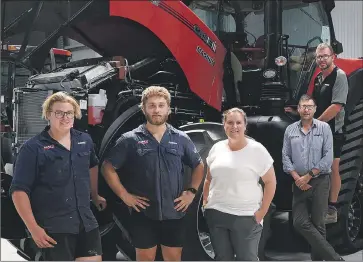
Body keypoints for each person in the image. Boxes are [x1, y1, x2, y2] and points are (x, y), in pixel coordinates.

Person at [102, 86, 205, 261]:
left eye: (161, 105)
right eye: (151, 106)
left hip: (174, 213)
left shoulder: (181, 138)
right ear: (144, 109)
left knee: (173, 259)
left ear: (168, 109)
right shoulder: (130, 139)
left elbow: (199, 165)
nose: (156, 110)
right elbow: (107, 167)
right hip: (144, 215)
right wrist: (124, 195)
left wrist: (192, 192)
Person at [10, 91, 106, 261]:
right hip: (54, 228)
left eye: (69, 113)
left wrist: (95, 194)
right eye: (59, 113)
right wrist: (33, 228)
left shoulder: (84, 140)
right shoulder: (33, 149)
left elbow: (92, 165)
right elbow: (19, 192)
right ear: (48, 114)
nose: (65, 117)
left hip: (86, 223)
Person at [285, 43, 349, 224]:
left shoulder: (340, 76)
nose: (321, 59)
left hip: (333, 130)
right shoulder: (319, 77)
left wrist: (316, 123)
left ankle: (332, 207)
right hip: (319, 129)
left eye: (325, 56)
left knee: (333, 167)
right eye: (319, 57)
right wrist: (296, 110)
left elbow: (336, 106)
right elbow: (311, 102)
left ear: (332, 56)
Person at [202, 107, 276, 261]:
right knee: (222, 258)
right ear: (224, 125)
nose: (234, 126)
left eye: (238, 123)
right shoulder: (217, 148)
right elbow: (209, 178)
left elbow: (270, 182)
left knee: (246, 258)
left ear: (245, 125)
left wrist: (262, 212)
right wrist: (205, 202)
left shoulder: (257, 150)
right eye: (230, 122)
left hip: (246, 216)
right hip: (217, 214)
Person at [282, 94, 344, 261]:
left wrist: (309, 176)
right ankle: (335, 259)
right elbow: (285, 157)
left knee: (319, 224)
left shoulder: (324, 128)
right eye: (303, 106)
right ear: (299, 109)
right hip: (298, 182)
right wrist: (297, 178)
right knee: (299, 222)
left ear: (315, 109)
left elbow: (328, 157)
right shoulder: (290, 130)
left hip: (320, 181)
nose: (306, 109)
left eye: (310, 106)